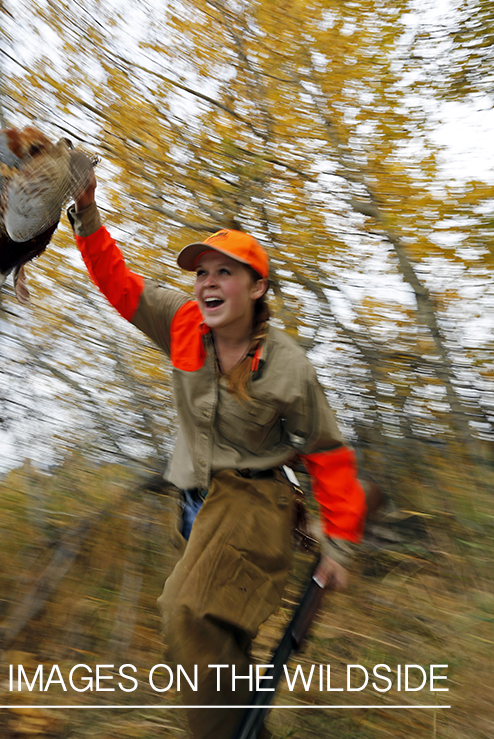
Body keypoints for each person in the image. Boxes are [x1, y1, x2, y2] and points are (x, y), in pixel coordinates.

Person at [68, 171, 367, 739]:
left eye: (223, 272)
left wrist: (340, 546)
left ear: (256, 289)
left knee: (184, 610)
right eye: (202, 272)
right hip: (195, 507)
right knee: (221, 637)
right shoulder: (182, 323)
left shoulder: (287, 367)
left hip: (255, 501)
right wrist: (86, 213)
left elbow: (328, 453)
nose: (207, 282)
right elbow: (119, 285)